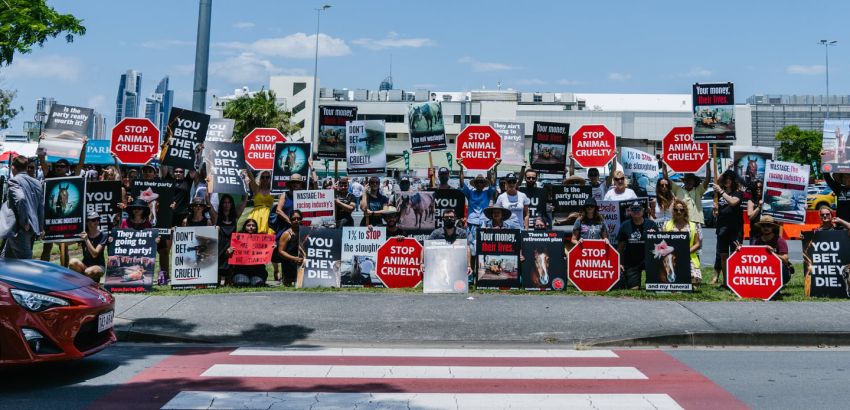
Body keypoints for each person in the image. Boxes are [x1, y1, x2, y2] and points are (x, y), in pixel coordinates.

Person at [0, 156, 43, 259]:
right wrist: (40, 228)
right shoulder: (37, 183)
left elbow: (21, 199)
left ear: (13, 167)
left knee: (25, 263)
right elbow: (41, 207)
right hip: (30, 227)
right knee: (5, 259)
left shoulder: (14, 181)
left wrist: (24, 222)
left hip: (20, 227)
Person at [711, 170, 744, 286]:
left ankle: (735, 280)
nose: (726, 180)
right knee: (723, 255)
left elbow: (733, 202)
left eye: (729, 178)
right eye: (725, 178)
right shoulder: (719, 194)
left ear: (733, 180)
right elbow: (717, 213)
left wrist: (720, 191)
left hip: (735, 228)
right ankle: (726, 281)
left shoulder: (738, 192)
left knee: (735, 254)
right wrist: (715, 210)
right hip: (722, 228)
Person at [616, 200, 658, 290]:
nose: (636, 211)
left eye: (638, 209)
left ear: (643, 210)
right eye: (634, 209)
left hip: (649, 260)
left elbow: (659, 245)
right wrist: (619, 263)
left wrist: (654, 236)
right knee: (634, 288)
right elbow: (620, 247)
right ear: (630, 211)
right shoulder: (625, 225)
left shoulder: (652, 224)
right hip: (631, 261)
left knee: (652, 288)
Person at [662, 199, 703, 286]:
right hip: (670, 256)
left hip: (688, 255)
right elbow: (662, 241)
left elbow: (698, 244)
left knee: (695, 280)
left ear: (685, 211)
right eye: (676, 210)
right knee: (668, 278)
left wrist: (685, 253)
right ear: (673, 211)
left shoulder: (693, 225)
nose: (679, 212)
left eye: (681, 210)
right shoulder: (666, 224)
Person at [210, 193, 244, 285]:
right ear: (221, 204)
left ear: (231, 204)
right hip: (219, 248)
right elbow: (208, 203)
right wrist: (207, 187)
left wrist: (246, 186)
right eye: (224, 202)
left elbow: (244, 201)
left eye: (229, 202)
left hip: (231, 248)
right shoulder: (217, 217)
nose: (226, 205)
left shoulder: (235, 217)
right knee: (216, 282)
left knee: (229, 283)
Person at [748, 215, 792, 286]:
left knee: (781, 265)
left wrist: (772, 253)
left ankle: (777, 284)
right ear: (760, 227)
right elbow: (750, 258)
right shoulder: (757, 241)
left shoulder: (779, 240)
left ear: (773, 227)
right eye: (763, 226)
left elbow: (785, 259)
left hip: (781, 271)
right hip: (763, 271)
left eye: (768, 226)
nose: (766, 228)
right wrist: (740, 251)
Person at [68, 211, 109, 281]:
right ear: (87, 222)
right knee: (72, 262)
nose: (96, 222)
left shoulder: (103, 235)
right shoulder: (83, 234)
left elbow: (95, 254)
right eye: (93, 220)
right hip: (85, 265)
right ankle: (86, 282)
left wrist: (86, 239)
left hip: (99, 266)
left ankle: (86, 281)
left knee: (88, 271)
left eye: (98, 219)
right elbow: (65, 243)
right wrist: (48, 236)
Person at [228, 219, 269, 287]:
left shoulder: (262, 239)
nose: (251, 227)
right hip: (241, 271)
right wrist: (229, 251)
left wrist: (272, 247)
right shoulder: (237, 238)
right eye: (248, 225)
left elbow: (268, 253)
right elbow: (228, 256)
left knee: (257, 283)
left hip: (257, 271)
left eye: (253, 225)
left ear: (256, 227)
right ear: (244, 227)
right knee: (242, 283)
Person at [276, 210, 304, 286]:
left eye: (298, 218)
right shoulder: (286, 234)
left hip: (302, 264)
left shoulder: (305, 232)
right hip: (289, 264)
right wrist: (294, 258)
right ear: (290, 219)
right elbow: (281, 251)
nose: (296, 221)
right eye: (293, 219)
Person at [245, 170, 276, 235]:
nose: (265, 179)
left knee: (269, 234)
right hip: (256, 214)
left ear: (271, 178)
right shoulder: (256, 189)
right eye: (262, 177)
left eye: (267, 177)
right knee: (253, 233)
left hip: (269, 214)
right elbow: (251, 176)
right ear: (260, 178)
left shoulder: (273, 190)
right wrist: (247, 166)